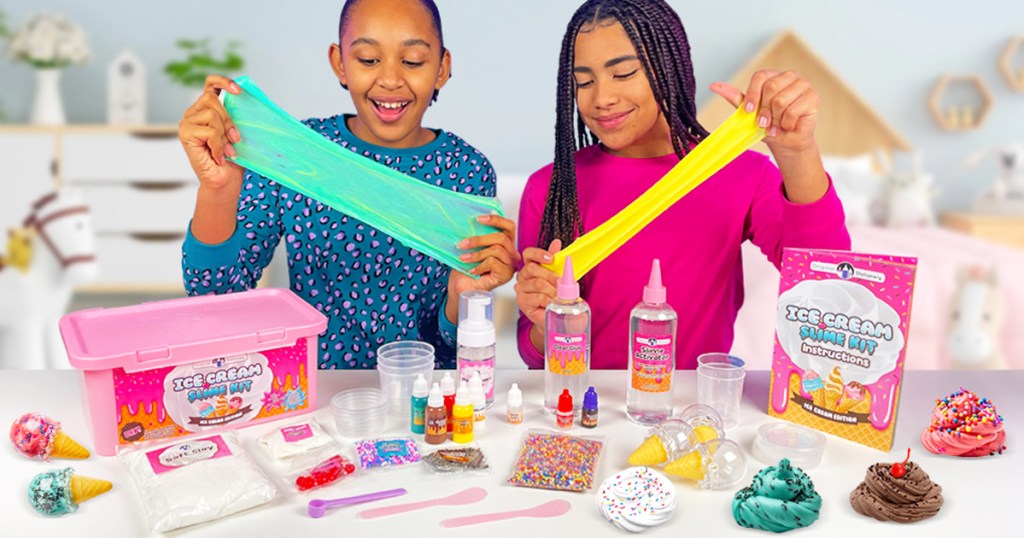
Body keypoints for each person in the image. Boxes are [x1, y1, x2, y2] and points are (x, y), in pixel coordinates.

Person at [178, 0, 518, 369]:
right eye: (369, 60)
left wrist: (461, 298)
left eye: (413, 61)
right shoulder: (297, 154)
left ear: (442, 67)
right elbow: (215, 297)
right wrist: (218, 191)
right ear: (340, 63)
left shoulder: (466, 171)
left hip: (425, 404)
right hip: (315, 399)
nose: (390, 79)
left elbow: (454, 351)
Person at [515, 0, 850, 370]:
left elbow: (825, 279)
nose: (601, 99)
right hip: (582, 409)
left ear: (669, 68)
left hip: (693, 410)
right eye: (584, 82)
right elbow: (533, 353)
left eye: (623, 73)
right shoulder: (549, 187)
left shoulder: (743, 175)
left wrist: (798, 152)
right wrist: (540, 323)